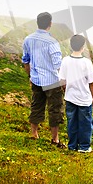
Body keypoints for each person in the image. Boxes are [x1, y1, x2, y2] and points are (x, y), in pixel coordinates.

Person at [22, 12, 65, 147]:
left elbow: (26, 60)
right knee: (55, 109)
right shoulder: (52, 42)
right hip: (52, 80)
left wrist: (30, 76)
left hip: (36, 79)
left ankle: (34, 133)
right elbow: (58, 65)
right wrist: (64, 80)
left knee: (36, 105)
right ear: (50, 24)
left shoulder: (28, 39)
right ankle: (55, 139)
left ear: (38, 22)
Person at [59, 34, 93, 153]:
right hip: (84, 99)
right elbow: (91, 83)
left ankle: (72, 145)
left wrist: (67, 91)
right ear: (82, 47)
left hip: (70, 97)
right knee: (85, 123)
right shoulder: (86, 62)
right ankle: (84, 147)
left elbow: (62, 81)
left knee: (72, 123)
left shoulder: (65, 60)